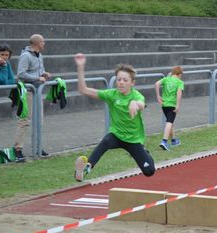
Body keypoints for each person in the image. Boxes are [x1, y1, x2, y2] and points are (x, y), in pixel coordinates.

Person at [73, 53, 155, 182]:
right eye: (119, 79)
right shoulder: (112, 95)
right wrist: (80, 67)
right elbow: (83, 90)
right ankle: (85, 168)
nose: (121, 83)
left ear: (132, 83)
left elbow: (142, 104)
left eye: (125, 80)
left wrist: (135, 104)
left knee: (149, 171)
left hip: (133, 140)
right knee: (105, 142)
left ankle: (146, 154)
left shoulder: (136, 95)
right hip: (116, 135)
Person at [15, 34, 51, 161]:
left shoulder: (39, 55)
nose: (44, 44)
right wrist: (37, 78)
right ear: (37, 43)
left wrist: (44, 74)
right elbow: (21, 74)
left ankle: (37, 147)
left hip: (37, 91)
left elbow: (38, 71)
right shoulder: (25, 56)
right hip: (28, 92)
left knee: (39, 121)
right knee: (24, 120)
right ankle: (17, 149)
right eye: (43, 42)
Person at [155, 66, 184, 151]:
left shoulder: (166, 79)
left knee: (170, 122)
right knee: (169, 122)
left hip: (164, 105)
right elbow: (179, 93)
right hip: (172, 105)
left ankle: (174, 140)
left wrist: (158, 96)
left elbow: (157, 84)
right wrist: (178, 105)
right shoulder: (180, 82)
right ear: (179, 74)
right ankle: (164, 141)